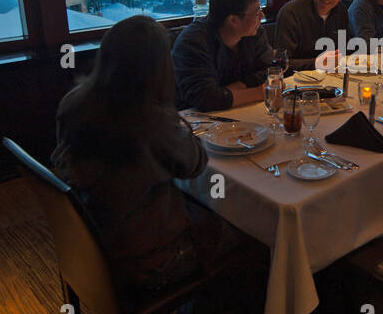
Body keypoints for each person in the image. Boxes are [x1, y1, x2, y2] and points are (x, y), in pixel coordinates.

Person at [52, 15, 244, 295]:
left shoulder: (75, 100)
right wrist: (176, 121)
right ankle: (222, 312)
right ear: (159, 69)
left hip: (91, 238)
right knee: (249, 232)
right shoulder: (150, 120)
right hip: (147, 257)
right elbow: (194, 164)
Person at [172, 0, 273, 110]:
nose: (262, 16)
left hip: (237, 110)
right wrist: (261, 93)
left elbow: (270, 71)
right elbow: (204, 99)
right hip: (195, 121)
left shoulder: (254, 34)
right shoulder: (193, 42)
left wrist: (235, 87)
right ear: (233, 20)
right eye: (256, 12)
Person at [275, 0, 350, 71]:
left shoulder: (341, 12)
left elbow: (342, 52)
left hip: (332, 78)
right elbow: (282, 63)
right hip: (297, 82)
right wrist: (316, 63)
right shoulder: (291, 12)